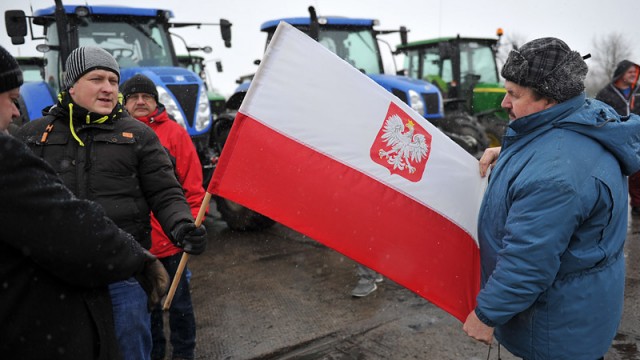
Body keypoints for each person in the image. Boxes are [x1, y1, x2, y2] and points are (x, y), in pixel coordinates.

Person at [14, 46, 207, 360]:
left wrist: (182, 225)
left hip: (123, 273)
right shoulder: (34, 136)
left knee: (129, 352)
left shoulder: (139, 136)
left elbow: (166, 192)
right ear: (72, 84)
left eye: (113, 81)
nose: (108, 88)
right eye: (97, 79)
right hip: (55, 278)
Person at [462, 38, 640, 359]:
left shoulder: (553, 176)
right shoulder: (588, 117)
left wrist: (487, 314)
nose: (504, 102)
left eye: (514, 94)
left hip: (555, 330)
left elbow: (528, 263)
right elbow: (569, 155)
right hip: (581, 312)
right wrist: (512, 155)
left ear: (550, 100)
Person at [121, 73, 204, 360]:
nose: (141, 102)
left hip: (170, 245)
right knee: (146, 312)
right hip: (134, 247)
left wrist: (189, 229)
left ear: (156, 102)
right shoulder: (115, 134)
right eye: (134, 97)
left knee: (180, 306)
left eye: (147, 97)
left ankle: (184, 354)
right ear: (124, 102)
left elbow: (193, 189)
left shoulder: (176, 135)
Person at [595, 60, 640, 215]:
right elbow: (599, 115)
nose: (634, 75)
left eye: (636, 72)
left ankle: (637, 204)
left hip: (637, 137)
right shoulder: (606, 93)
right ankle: (612, 208)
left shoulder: (638, 91)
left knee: (637, 172)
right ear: (621, 74)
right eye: (630, 72)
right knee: (615, 172)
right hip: (615, 138)